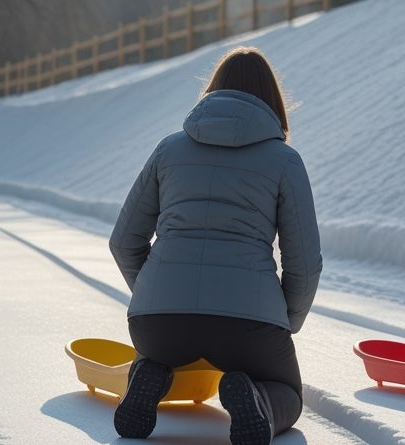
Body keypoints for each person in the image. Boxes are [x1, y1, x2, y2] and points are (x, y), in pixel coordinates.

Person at [108, 46, 322, 444]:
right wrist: (284, 320)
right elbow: (304, 263)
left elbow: (123, 242)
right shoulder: (284, 160)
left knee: (159, 359)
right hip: (249, 326)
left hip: (159, 324)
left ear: (213, 91)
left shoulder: (168, 149)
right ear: (272, 100)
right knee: (288, 393)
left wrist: (157, 293)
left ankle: (148, 375)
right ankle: (257, 398)